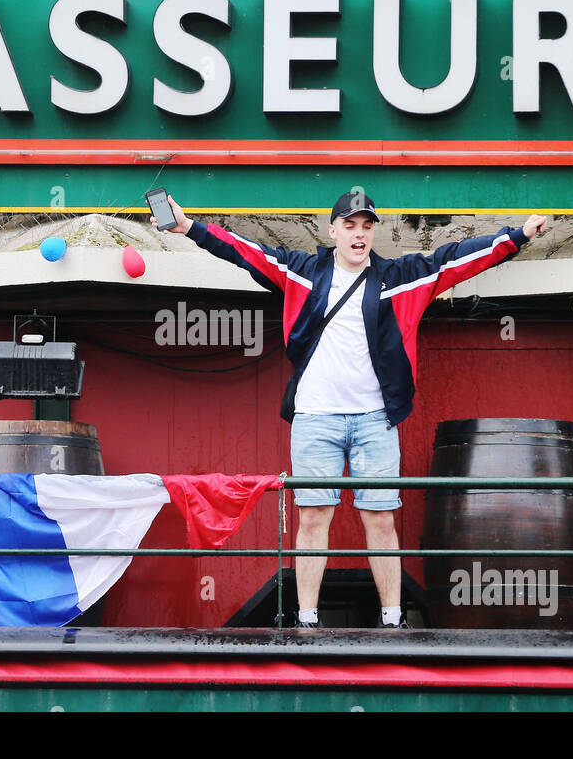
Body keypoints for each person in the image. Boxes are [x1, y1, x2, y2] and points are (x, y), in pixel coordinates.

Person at [153, 191, 547, 628]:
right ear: (333, 230)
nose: (359, 234)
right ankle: (306, 618)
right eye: (350, 225)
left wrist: (517, 236)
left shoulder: (401, 276)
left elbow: (455, 258)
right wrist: (188, 228)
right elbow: (247, 252)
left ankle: (393, 619)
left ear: (373, 231)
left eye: (366, 226)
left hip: (376, 419)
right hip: (315, 417)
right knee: (313, 516)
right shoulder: (302, 271)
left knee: (380, 518)